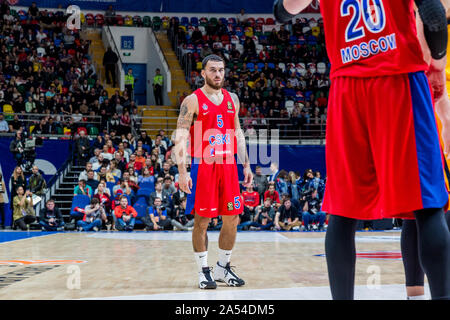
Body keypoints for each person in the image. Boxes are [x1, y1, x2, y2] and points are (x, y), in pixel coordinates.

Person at [274, 0, 450, 300]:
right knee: (427, 204)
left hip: (347, 88)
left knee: (342, 212)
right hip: (399, 79)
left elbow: (282, 11)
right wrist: (437, 61)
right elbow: (433, 13)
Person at [174, 54, 253, 289]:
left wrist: (246, 164)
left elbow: (237, 133)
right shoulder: (192, 101)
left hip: (228, 166)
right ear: (203, 73)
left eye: (221, 70)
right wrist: (181, 171)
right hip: (203, 166)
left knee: (233, 218)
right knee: (202, 221)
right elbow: (180, 137)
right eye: (212, 70)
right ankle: (203, 271)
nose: (218, 74)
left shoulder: (233, 99)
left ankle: (222, 268)